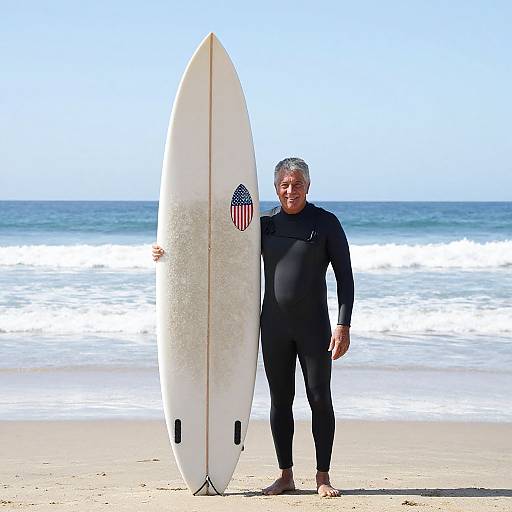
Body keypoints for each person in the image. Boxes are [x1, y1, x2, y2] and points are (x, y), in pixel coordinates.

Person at [152, 157, 354, 498]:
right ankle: (286, 475)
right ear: (275, 188)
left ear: (308, 186)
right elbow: (217, 248)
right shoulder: (264, 225)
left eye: (297, 184)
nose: (291, 191)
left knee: (319, 398)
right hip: (273, 326)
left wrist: (343, 325)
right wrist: (168, 251)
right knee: (280, 400)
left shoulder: (326, 224)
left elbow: (345, 278)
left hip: (314, 327)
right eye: (284, 185)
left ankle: (322, 477)